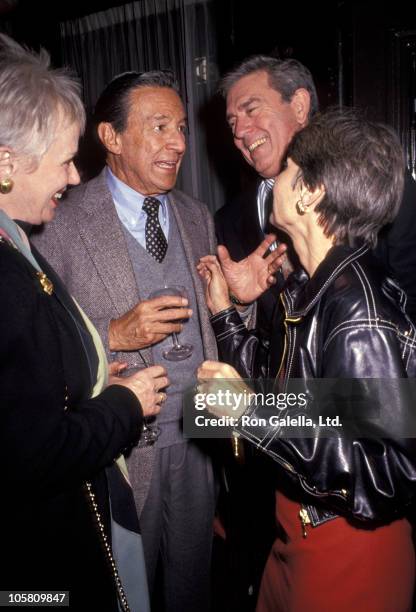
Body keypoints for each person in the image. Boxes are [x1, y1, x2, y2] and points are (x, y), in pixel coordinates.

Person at [197, 108, 416, 612]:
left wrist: (250, 414)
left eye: (287, 169)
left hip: (350, 555)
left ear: (308, 193)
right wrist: (224, 313)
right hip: (297, 535)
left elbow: (385, 471)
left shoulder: (355, 306)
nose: (275, 176)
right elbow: (289, 397)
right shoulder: (316, 286)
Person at [33, 70, 218, 612]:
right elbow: (37, 347)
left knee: (192, 591)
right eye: (160, 126)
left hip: (199, 445)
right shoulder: (56, 223)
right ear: (110, 138)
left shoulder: (196, 215)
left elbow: (214, 323)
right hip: (116, 454)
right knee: (122, 594)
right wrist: (113, 334)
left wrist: (242, 298)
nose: (180, 143)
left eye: (181, 128)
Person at [0, 35, 169, 611]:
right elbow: (29, 450)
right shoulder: (38, 236)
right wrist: (120, 401)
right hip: (40, 561)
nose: (72, 177)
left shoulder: (16, 237)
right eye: (64, 161)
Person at [216, 55, 416, 352]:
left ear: (299, 106)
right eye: (232, 122)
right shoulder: (227, 219)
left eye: (251, 110)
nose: (239, 132)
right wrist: (238, 303)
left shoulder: (373, 178)